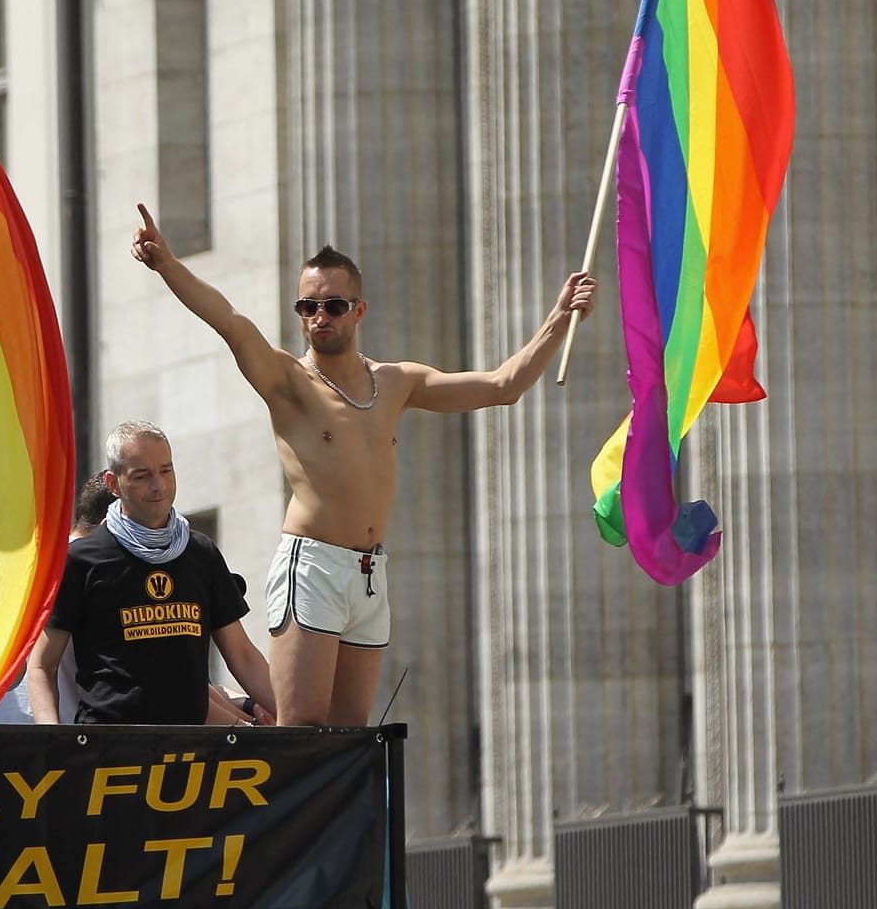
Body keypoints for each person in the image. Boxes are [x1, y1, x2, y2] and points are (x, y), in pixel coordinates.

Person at [130, 206, 593, 728]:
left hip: (370, 574)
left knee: (350, 738)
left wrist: (558, 319)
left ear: (359, 310)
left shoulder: (397, 382)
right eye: (307, 306)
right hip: (314, 566)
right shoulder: (287, 381)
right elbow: (229, 321)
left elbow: (503, 387)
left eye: (332, 304)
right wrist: (166, 263)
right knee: (301, 731)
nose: (318, 316)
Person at [26, 422, 293, 909]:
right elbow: (41, 665)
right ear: (114, 480)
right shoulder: (83, 561)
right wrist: (51, 742)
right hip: (109, 764)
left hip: (188, 768)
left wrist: (296, 718)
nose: (158, 485)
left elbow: (239, 652)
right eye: (142, 474)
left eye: (166, 471)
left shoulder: (200, 553)